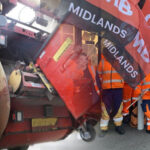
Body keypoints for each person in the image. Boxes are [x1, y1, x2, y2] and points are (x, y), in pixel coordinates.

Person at [98, 54, 125, 135]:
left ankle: (118, 126)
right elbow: (98, 75)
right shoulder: (102, 62)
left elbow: (127, 74)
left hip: (118, 89)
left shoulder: (121, 61)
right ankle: (104, 128)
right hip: (106, 89)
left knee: (118, 107)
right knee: (105, 108)